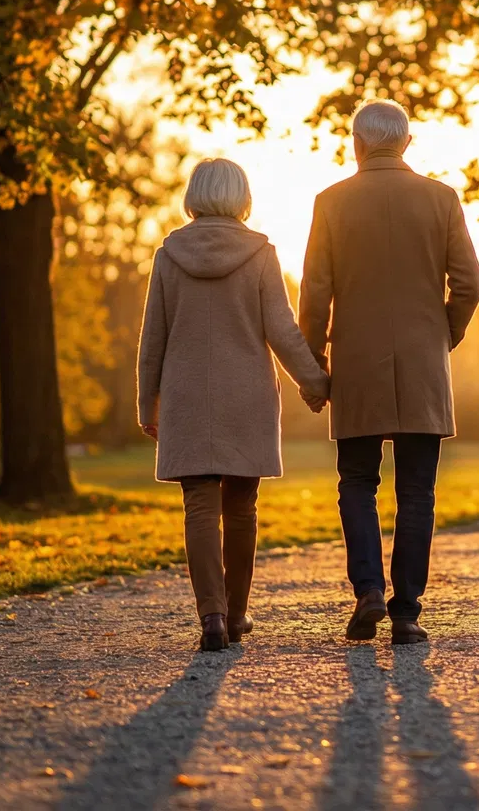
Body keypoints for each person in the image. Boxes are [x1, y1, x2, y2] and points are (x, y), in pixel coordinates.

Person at [300, 100, 479, 645]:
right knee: (418, 492)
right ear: (407, 143)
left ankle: (368, 592)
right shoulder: (441, 198)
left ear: (356, 144)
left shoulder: (330, 202)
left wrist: (315, 364)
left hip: (357, 362)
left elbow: (314, 294)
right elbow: (470, 282)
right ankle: (406, 612)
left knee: (356, 481)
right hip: (423, 362)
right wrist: (443, 335)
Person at [137, 157, 330, 651]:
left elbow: (152, 340)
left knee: (199, 507)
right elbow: (282, 332)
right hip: (245, 397)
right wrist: (318, 382)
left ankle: (213, 620)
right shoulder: (260, 253)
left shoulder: (167, 255)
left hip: (185, 397)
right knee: (241, 507)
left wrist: (147, 403)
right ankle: (238, 612)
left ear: (194, 195)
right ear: (241, 196)